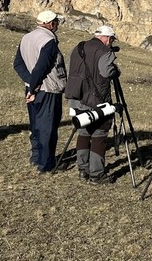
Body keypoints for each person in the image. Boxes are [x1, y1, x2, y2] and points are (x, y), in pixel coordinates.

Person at [64, 24, 121, 185]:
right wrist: (115, 70)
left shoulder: (78, 47)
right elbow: (106, 72)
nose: (111, 43)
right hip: (95, 99)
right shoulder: (104, 51)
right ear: (108, 38)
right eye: (111, 40)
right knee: (99, 133)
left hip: (76, 96)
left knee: (83, 131)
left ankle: (83, 169)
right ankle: (96, 174)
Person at [13, 10, 67, 173]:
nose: (58, 24)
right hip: (47, 90)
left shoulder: (26, 38)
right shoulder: (48, 41)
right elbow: (41, 68)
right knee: (48, 127)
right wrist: (34, 85)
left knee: (36, 124)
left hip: (32, 89)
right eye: (56, 21)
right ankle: (47, 164)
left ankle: (36, 157)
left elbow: (18, 64)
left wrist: (29, 83)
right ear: (50, 24)